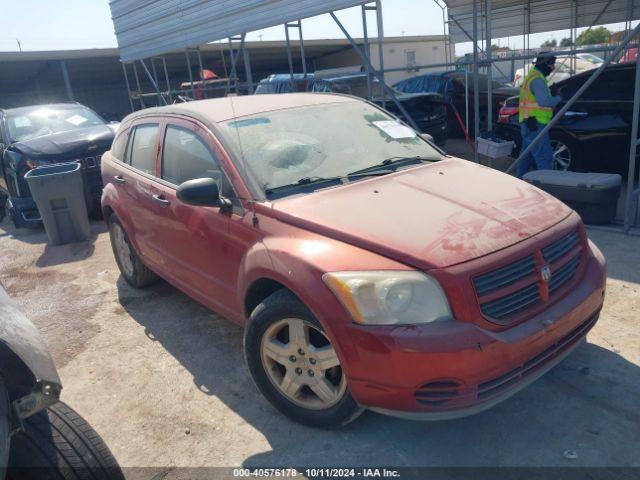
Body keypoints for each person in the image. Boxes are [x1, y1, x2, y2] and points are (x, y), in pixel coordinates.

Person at [517, 52, 563, 178]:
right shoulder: (537, 79)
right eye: (552, 64)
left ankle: (519, 184)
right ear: (545, 63)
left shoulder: (533, 75)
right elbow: (544, 102)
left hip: (529, 124)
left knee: (526, 159)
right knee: (544, 159)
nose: (553, 67)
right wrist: (559, 98)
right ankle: (547, 191)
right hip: (536, 125)